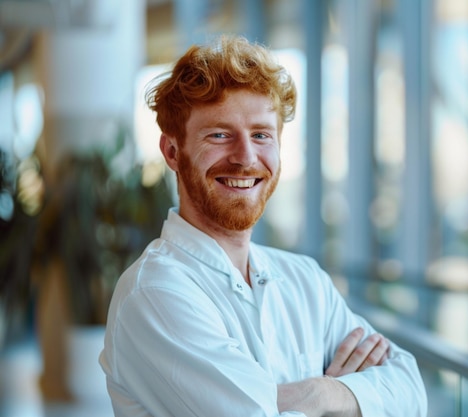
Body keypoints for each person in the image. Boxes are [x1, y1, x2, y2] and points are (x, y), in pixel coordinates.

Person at [99, 35, 427, 417]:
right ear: (173, 151)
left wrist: (317, 395)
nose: (245, 157)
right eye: (219, 135)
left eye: (261, 135)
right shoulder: (155, 293)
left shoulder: (306, 280)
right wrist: (354, 398)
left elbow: (411, 392)